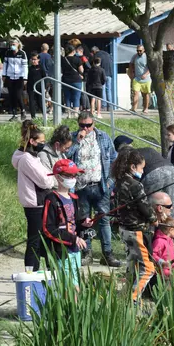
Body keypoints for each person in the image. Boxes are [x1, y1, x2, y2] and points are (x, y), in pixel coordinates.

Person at [67, 112, 120, 267]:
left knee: (103, 219)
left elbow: (113, 158)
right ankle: (87, 252)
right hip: (80, 186)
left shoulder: (103, 137)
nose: (86, 128)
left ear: (94, 123)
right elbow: (65, 155)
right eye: (82, 125)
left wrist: (110, 182)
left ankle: (107, 253)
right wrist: (77, 141)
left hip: (100, 184)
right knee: (84, 221)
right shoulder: (73, 137)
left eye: (89, 125)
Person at [111, 148, 157, 303]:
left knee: (132, 266)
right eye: (141, 168)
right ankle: (133, 299)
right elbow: (145, 207)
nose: (142, 171)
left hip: (124, 230)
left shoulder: (118, 183)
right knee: (148, 267)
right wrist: (154, 218)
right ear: (132, 167)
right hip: (137, 231)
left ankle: (124, 298)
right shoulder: (135, 185)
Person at [12, 121, 54, 271]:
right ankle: (31, 273)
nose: (43, 144)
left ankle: (45, 270)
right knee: (34, 241)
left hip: (39, 202)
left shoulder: (32, 157)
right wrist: (51, 178)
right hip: (35, 203)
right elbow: (45, 181)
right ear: (32, 141)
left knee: (42, 241)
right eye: (41, 142)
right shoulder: (27, 159)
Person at [42, 159, 92, 287]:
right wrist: (73, 238)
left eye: (74, 175)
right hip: (61, 251)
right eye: (69, 175)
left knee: (75, 284)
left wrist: (83, 223)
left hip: (75, 249)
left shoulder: (74, 198)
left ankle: (75, 307)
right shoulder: (51, 199)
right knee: (65, 285)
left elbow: (74, 222)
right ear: (58, 177)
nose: (73, 178)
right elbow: (48, 228)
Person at [113, 135, 174, 222]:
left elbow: (138, 195)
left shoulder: (130, 158)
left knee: (148, 203)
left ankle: (153, 228)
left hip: (153, 174)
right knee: (171, 202)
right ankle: (173, 229)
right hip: (171, 170)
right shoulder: (147, 149)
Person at [4, 38, 28, 122]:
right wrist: (4, 75)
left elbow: (25, 67)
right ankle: (14, 114)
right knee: (12, 96)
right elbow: (5, 64)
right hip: (10, 76)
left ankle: (23, 111)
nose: (12, 46)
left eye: (14, 44)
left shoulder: (22, 53)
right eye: (11, 44)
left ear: (18, 44)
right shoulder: (8, 53)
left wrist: (25, 77)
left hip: (20, 77)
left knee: (18, 95)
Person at [61, 44, 83, 117]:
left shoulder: (63, 59)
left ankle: (69, 114)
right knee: (76, 97)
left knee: (67, 97)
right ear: (73, 51)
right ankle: (75, 114)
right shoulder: (77, 59)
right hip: (76, 80)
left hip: (66, 80)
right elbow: (81, 70)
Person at [129, 45, 151, 113]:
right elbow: (131, 64)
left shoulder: (147, 57)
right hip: (137, 78)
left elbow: (151, 67)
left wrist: (146, 74)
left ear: (143, 50)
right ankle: (134, 108)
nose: (139, 52)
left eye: (140, 51)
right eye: (137, 50)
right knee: (136, 93)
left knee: (145, 94)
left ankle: (146, 108)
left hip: (146, 79)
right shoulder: (135, 56)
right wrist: (132, 72)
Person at [26, 52, 46, 119]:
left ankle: (44, 115)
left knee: (40, 102)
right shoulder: (30, 68)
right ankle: (33, 116)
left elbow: (44, 77)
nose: (33, 61)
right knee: (31, 102)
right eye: (32, 59)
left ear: (38, 60)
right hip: (31, 87)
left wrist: (45, 87)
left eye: (35, 59)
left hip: (39, 88)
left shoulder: (41, 68)